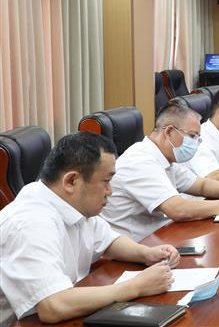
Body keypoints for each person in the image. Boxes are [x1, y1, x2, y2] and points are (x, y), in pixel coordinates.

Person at [1, 132, 179, 324]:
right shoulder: (30, 223)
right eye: (106, 181)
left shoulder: (69, 203)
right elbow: (53, 306)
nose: (110, 191)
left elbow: (109, 241)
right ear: (71, 181)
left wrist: (145, 253)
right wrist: (136, 287)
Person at [101, 103, 219, 241]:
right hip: (134, 248)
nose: (196, 143)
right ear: (169, 132)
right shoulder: (140, 161)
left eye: (198, 138)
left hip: (159, 237)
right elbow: (178, 210)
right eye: (192, 136)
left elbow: (201, 185)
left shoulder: (166, 158)